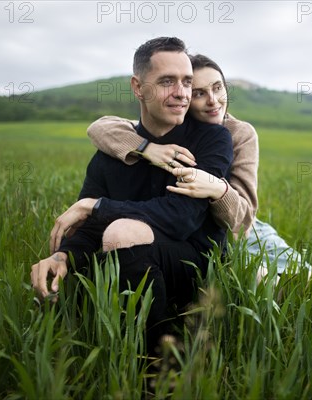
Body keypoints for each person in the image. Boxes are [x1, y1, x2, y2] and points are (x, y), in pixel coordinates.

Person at [30, 37, 233, 352]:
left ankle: (154, 358)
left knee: (120, 231)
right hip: (134, 256)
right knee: (107, 242)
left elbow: (180, 218)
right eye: (167, 81)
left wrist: (98, 206)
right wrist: (62, 256)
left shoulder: (213, 139)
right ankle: (127, 345)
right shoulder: (116, 149)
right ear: (138, 88)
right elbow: (89, 225)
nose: (182, 92)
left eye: (187, 82)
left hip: (197, 264)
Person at [87, 54, 311, 280]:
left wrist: (217, 189)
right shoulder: (170, 126)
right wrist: (146, 148)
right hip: (193, 230)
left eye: (218, 88)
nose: (213, 100)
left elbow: (243, 221)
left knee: (302, 280)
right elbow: (100, 128)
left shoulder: (239, 133)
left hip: (241, 230)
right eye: (199, 93)